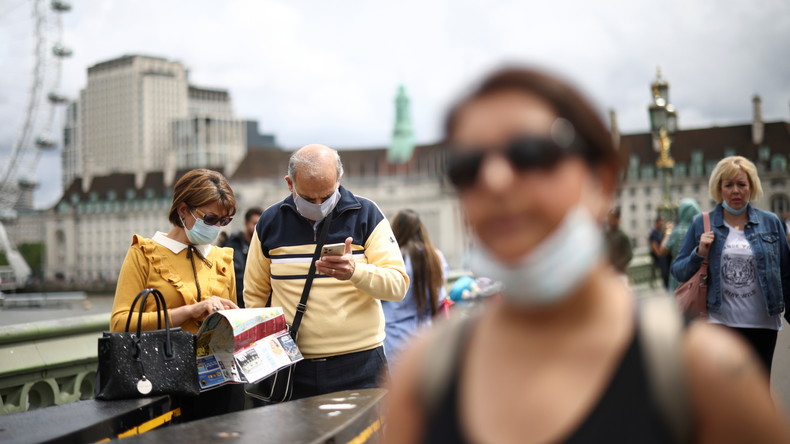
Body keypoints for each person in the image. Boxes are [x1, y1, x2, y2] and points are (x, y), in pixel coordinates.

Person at [382, 67, 789, 443]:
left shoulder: (702, 373)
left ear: (602, 179)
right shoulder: (423, 376)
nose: (495, 179)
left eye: (530, 153)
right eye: (467, 166)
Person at [244, 144, 409, 400]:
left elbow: (398, 286)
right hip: (292, 365)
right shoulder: (270, 222)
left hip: (361, 361)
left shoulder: (367, 215)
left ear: (339, 180)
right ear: (290, 184)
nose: (320, 205)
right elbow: (255, 295)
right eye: (309, 198)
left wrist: (356, 271)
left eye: (328, 195)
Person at [111, 168, 242, 420]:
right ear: (183, 211)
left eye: (224, 221)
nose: (217, 227)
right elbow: (120, 324)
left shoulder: (221, 258)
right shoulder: (144, 253)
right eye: (211, 218)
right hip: (162, 379)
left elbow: (231, 323)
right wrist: (189, 312)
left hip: (222, 382)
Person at [672, 156, 790, 376]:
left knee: (759, 394)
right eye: (729, 185)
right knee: (726, 396)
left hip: (763, 324)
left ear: (751, 187)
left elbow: (786, 272)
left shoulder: (771, 222)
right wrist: (698, 253)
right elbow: (678, 270)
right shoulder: (702, 222)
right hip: (719, 323)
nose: (736, 191)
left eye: (741, 184)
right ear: (719, 188)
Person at [382, 209, 448, 365]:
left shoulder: (392, 258)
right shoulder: (436, 257)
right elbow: (440, 299)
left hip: (393, 340)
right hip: (427, 337)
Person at [222, 207, 263, 308]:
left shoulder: (264, 245)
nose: (258, 228)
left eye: (260, 225)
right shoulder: (234, 246)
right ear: (246, 224)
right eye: (254, 224)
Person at [665, 198, 701, 291]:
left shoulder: (676, 231)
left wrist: (668, 231)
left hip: (678, 272)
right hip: (696, 274)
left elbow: (662, 250)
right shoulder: (701, 229)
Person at [604, 206, 633, 274]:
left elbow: (629, 255)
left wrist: (616, 266)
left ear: (619, 219)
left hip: (620, 273)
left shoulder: (623, 236)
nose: (612, 220)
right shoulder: (605, 235)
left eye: (615, 218)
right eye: (610, 217)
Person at [649, 216, 672, 289]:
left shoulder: (661, 233)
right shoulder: (654, 234)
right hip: (660, 258)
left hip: (665, 257)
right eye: (660, 222)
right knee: (666, 275)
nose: (662, 224)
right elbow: (657, 251)